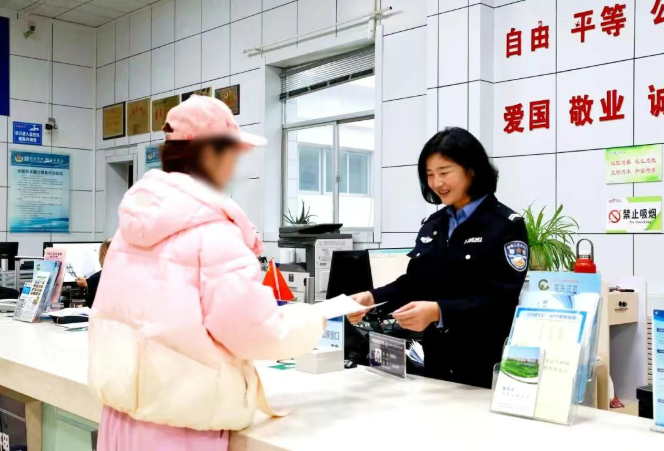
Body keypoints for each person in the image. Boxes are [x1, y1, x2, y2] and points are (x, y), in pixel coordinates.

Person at [88, 96, 325, 451]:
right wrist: (316, 319)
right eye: (233, 155)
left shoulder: (130, 227)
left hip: (119, 421)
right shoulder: (214, 232)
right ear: (210, 155)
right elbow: (254, 331)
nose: (235, 168)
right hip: (180, 427)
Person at [349, 127, 528, 389]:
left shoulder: (505, 225)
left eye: (444, 172)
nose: (436, 183)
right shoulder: (434, 225)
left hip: (483, 364)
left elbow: (501, 300)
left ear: (472, 169)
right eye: (430, 174)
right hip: (437, 363)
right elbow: (414, 283)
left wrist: (439, 311)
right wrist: (372, 298)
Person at [76, 239, 111, 308]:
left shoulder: (95, 279)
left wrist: (85, 287)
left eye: (99, 255)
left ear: (104, 256)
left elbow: (91, 307)